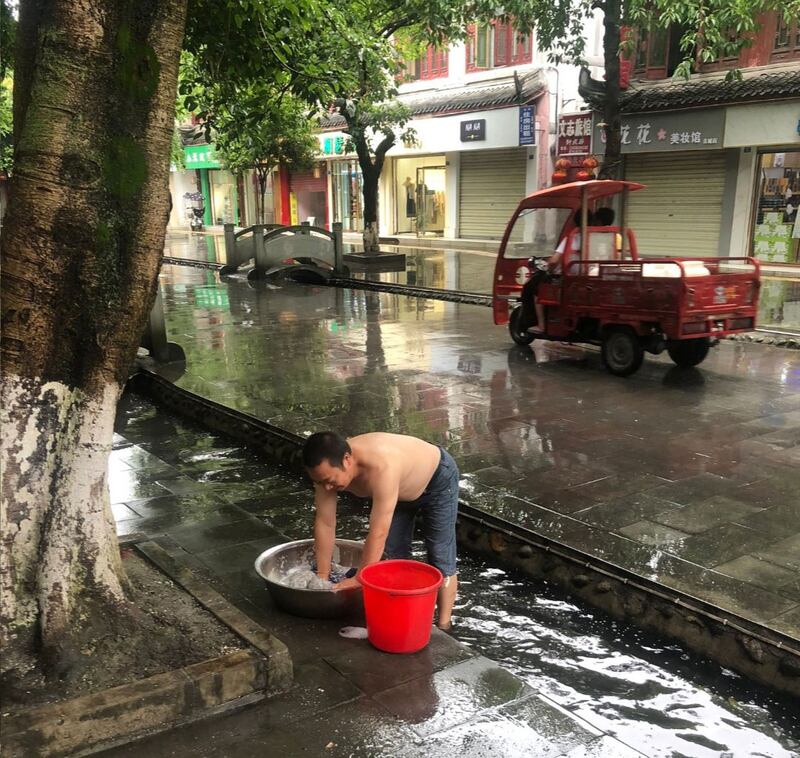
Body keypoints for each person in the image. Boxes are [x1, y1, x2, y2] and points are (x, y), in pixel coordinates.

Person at [302, 431, 459, 630]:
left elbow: (378, 532)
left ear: (347, 460)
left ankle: (445, 625)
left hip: (437, 478)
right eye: (320, 482)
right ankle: (401, 613)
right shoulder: (324, 476)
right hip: (399, 491)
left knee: (440, 555)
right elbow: (325, 523)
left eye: (330, 480)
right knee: (392, 556)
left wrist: (359, 578)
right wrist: (322, 578)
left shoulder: (382, 466)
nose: (327, 486)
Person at [520, 209, 589, 335]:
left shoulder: (572, 238)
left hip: (567, 279)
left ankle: (541, 325)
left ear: (575, 221)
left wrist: (549, 268)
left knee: (536, 288)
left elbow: (554, 261)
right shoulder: (597, 238)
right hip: (588, 278)